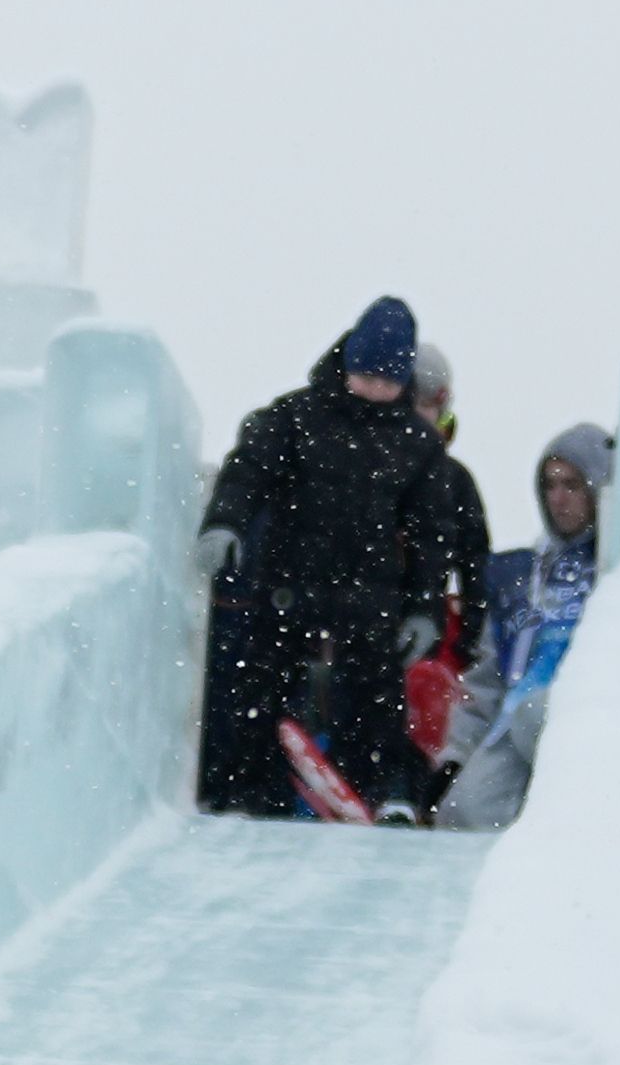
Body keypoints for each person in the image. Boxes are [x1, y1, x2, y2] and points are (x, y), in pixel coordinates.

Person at [196, 297, 458, 823]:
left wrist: (424, 610)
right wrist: (224, 521)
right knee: (257, 688)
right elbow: (248, 469)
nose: (375, 390)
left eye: (387, 381)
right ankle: (251, 797)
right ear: (347, 363)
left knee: (375, 702)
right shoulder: (295, 418)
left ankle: (378, 794)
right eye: (365, 375)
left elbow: (433, 538)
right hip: (289, 583)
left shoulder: (416, 446)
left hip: (370, 598)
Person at [438, 421, 618, 831]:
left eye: (573, 485)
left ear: (599, 490)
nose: (559, 499)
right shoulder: (517, 577)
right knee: (462, 813)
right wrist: (456, 756)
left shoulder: (618, 572)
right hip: (515, 723)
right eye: (550, 485)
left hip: (586, 725)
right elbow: (486, 679)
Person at [397, 342, 493, 784]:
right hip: (361, 621)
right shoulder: (364, 469)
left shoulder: (455, 483)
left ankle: (421, 779)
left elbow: (477, 571)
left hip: (427, 631)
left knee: (427, 685)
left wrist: (470, 640)